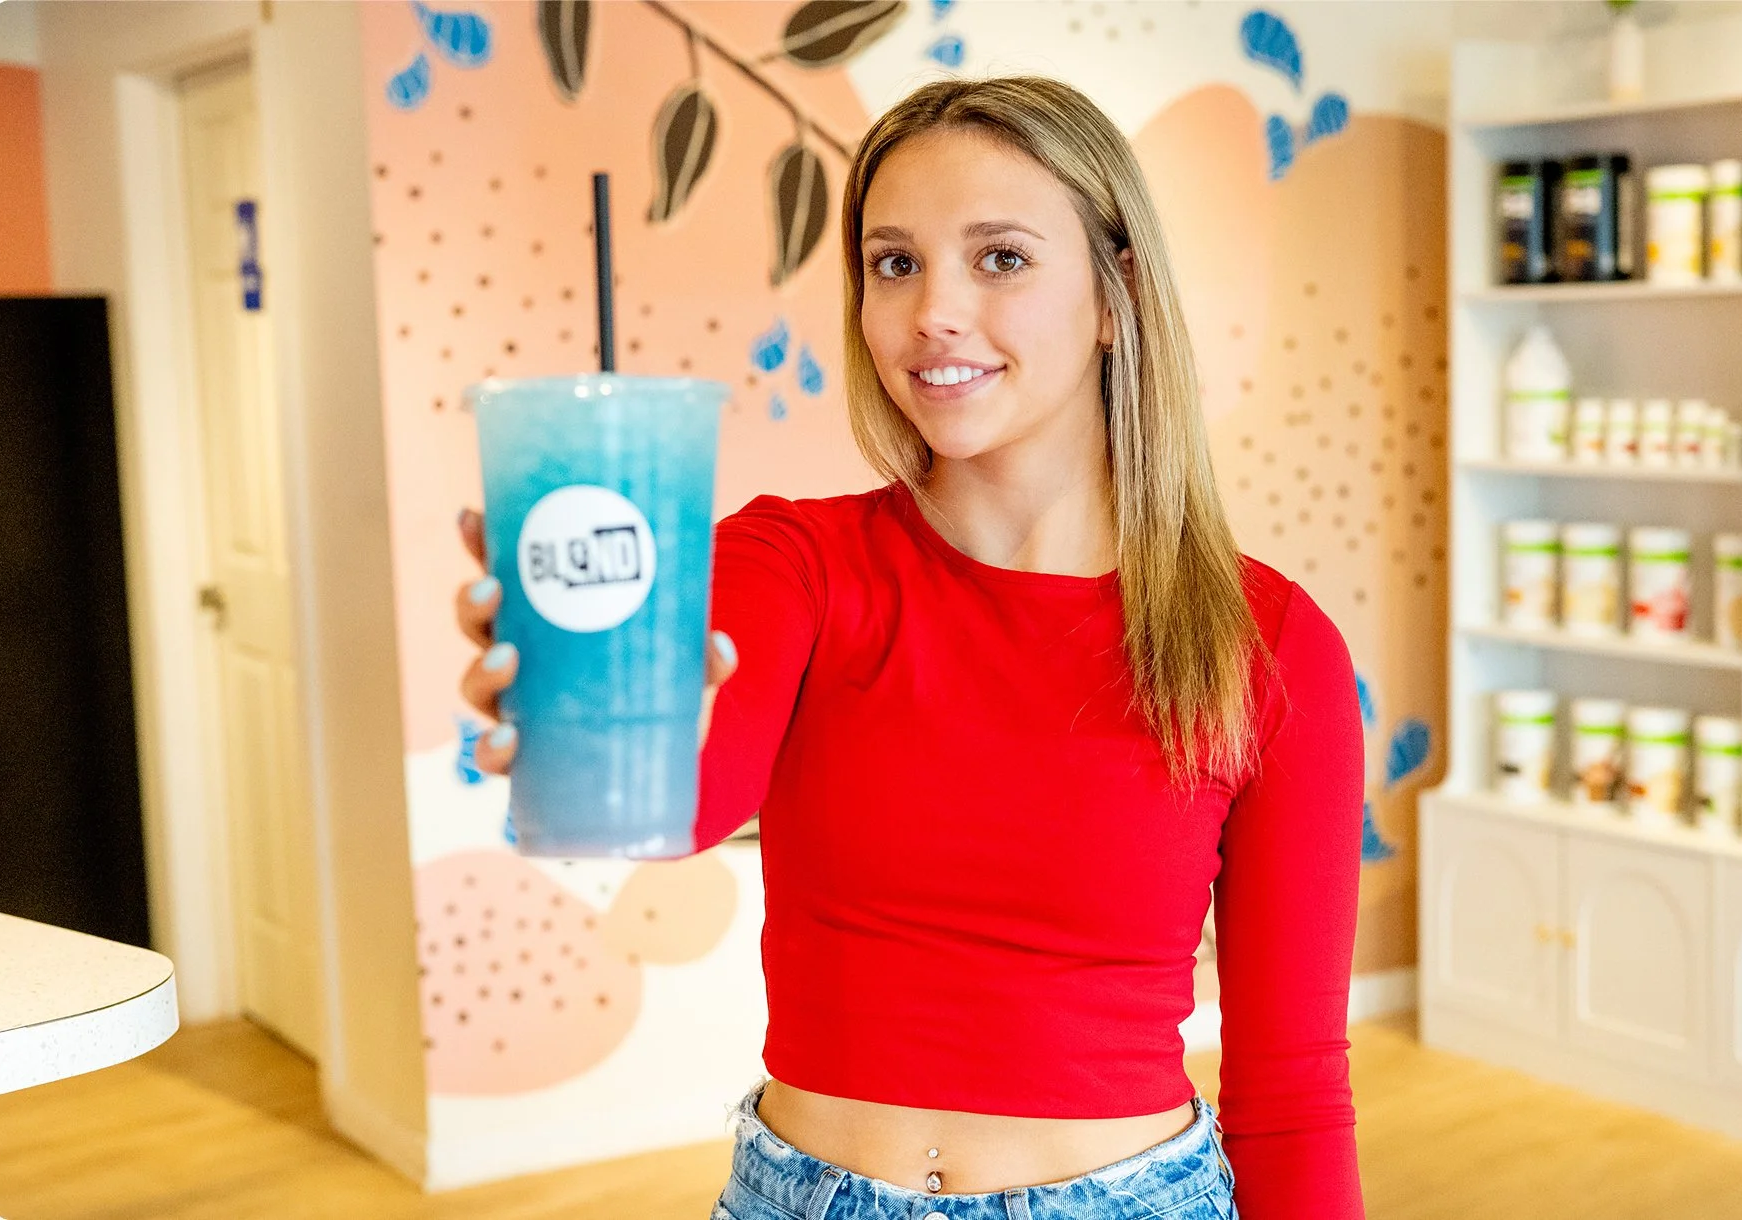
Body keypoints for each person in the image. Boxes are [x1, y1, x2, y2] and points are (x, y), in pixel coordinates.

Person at [454, 75, 1365, 1220]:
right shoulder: (795, 562)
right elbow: (679, 794)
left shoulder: (1269, 648)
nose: (932, 310)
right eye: (894, 262)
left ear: (1113, 293)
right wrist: (595, 693)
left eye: (999, 258)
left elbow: (1290, 1087)